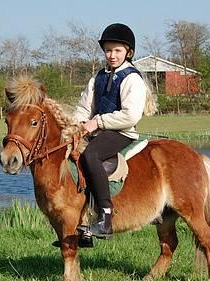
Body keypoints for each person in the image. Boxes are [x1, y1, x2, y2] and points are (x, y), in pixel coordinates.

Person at [73, 23, 147, 238]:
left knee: (91, 155)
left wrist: (98, 122)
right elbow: (84, 107)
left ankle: (105, 217)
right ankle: (82, 221)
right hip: (97, 131)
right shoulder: (97, 77)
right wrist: (78, 124)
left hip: (121, 132)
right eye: (108, 50)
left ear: (128, 52)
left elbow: (131, 115)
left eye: (117, 50)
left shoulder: (132, 78)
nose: (112, 55)